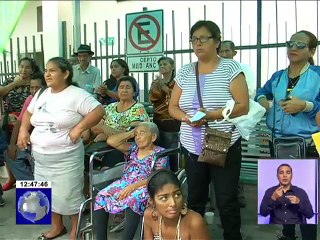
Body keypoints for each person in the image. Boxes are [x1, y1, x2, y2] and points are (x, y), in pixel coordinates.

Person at [169, 20, 249, 240]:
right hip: (191, 144)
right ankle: (195, 236)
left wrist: (209, 116)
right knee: (195, 198)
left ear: (217, 41)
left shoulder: (230, 68)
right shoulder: (185, 71)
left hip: (222, 141)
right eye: (194, 39)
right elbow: (173, 107)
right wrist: (185, 118)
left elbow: (243, 106)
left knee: (226, 199)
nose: (198, 43)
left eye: (203, 38)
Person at [17, 57, 105, 240]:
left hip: (65, 159)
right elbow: (28, 114)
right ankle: (57, 227)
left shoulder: (76, 94)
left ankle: (77, 231)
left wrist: (79, 128)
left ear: (65, 74)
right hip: (40, 158)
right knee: (45, 193)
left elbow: (98, 111)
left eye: (53, 70)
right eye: (46, 70)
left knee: (69, 197)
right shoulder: (42, 93)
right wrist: (23, 131)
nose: (47, 74)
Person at [256, 30, 319, 240]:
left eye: (300, 45)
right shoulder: (278, 76)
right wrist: (263, 99)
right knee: (282, 195)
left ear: (312, 50)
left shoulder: (318, 75)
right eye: (290, 43)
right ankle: (287, 235)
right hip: (278, 143)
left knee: (305, 198)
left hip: (308, 144)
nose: (293, 48)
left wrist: (307, 105)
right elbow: (261, 92)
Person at [93, 122, 169, 240]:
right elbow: (111, 141)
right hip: (125, 182)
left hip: (147, 184)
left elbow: (158, 175)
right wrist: (131, 133)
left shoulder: (160, 153)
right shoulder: (133, 148)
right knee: (100, 196)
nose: (137, 137)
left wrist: (133, 187)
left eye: (141, 133)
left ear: (153, 137)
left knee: (133, 200)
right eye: (136, 134)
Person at [218, 40, 257, 208]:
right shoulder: (215, 69)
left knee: (233, 161)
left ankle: (236, 194)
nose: (225, 54)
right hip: (218, 122)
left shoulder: (243, 69)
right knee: (216, 159)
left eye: (228, 51)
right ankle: (218, 197)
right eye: (222, 51)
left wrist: (228, 102)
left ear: (234, 52)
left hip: (235, 121)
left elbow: (249, 93)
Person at [0, 57, 40, 191]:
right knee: (8, 151)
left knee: (21, 153)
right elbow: (1, 92)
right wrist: (15, 84)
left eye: (27, 67)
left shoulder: (36, 84)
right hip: (10, 119)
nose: (23, 69)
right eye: (21, 66)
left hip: (28, 123)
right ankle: (13, 179)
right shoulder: (12, 81)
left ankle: (32, 185)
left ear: (32, 70)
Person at [144, 168, 211, 240]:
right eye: (164, 198)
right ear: (152, 201)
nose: (173, 203)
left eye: (177, 195)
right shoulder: (149, 215)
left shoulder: (194, 223)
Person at [5, 72, 47, 182]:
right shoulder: (30, 99)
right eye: (31, 87)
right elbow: (20, 122)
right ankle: (31, 184)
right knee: (9, 154)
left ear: (45, 87)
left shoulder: (50, 99)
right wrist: (12, 145)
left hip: (45, 145)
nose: (34, 91)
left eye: (37, 88)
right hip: (29, 142)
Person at [149, 56, 181, 171]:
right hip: (157, 119)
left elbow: (177, 98)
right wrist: (159, 86)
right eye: (160, 64)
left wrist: (164, 88)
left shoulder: (178, 82)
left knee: (171, 149)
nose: (162, 66)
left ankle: (173, 173)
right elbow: (152, 98)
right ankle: (159, 172)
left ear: (172, 67)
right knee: (158, 148)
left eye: (165, 64)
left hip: (172, 120)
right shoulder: (156, 82)